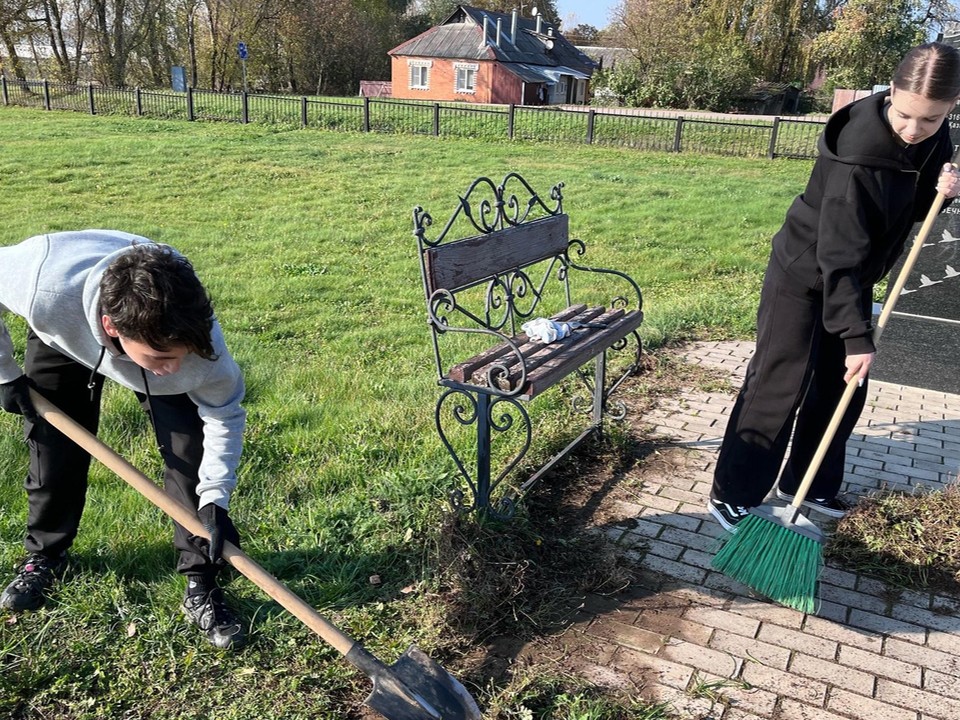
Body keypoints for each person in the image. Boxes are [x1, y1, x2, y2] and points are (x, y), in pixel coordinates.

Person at [708, 42, 960, 533]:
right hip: (804, 275)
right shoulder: (858, 158)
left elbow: (917, 199)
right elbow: (839, 254)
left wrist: (943, 191)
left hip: (856, 273)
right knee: (780, 385)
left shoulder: (934, 132)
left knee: (842, 388)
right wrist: (854, 336)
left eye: (930, 120)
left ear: (951, 107)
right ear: (891, 91)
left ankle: (809, 483)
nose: (914, 130)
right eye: (906, 115)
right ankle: (732, 494)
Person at [0, 230, 247, 649]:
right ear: (110, 326)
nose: (170, 368)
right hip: (64, 328)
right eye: (159, 358)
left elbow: (223, 415)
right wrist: (5, 373)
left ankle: (200, 582)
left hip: (125, 325)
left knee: (191, 457)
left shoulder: (202, 355)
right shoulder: (43, 285)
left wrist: (216, 499)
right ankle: (45, 555)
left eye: (179, 356)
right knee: (53, 449)